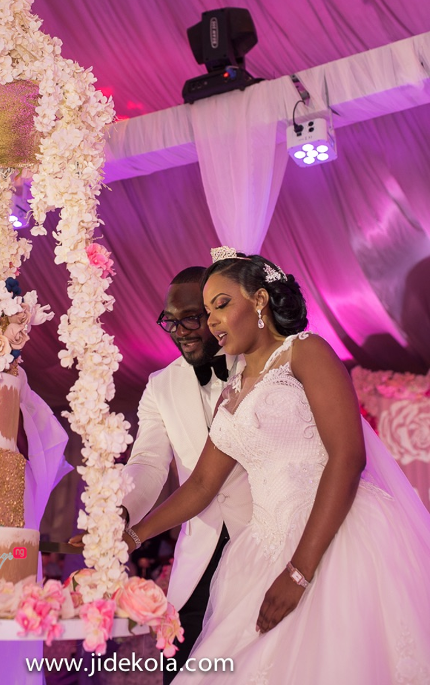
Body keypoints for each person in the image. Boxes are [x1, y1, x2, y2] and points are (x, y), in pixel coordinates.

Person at [123, 247, 430, 684]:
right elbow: (201, 485)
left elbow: (347, 457)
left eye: (221, 304)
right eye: (207, 310)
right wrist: (132, 535)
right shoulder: (233, 392)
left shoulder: (305, 352)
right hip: (262, 552)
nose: (210, 321)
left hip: (338, 540)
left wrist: (300, 572)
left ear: (260, 301)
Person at [120, 266, 252, 680]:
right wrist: (122, 513)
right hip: (200, 552)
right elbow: (147, 462)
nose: (180, 331)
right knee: (180, 670)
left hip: (266, 542)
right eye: (170, 321)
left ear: (217, 313)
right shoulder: (160, 386)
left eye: (191, 317)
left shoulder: (263, 365)